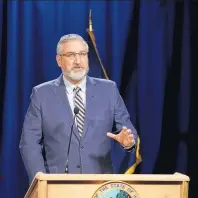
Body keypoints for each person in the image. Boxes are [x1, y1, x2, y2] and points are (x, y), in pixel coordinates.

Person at [19, 34, 138, 183]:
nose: (78, 61)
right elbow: (29, 143)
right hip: (57, 186)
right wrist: (40, 180)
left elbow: (127, 129)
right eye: (71, 55)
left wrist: (128, 142)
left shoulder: (108, 90)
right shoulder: (42, 94)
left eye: (82, 54)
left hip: (100, 186)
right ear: (59, 60)